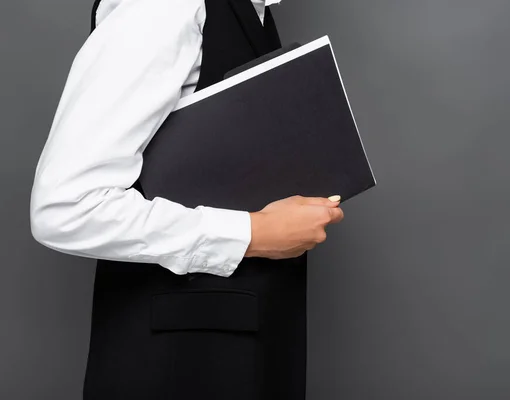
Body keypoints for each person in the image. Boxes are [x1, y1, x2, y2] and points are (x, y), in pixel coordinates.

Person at [29, 0, 345, 399]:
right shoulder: (166, 6)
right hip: (179, 363)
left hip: (242, 345)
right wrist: (251, 233)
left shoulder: (254, 13)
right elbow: (65, 206)